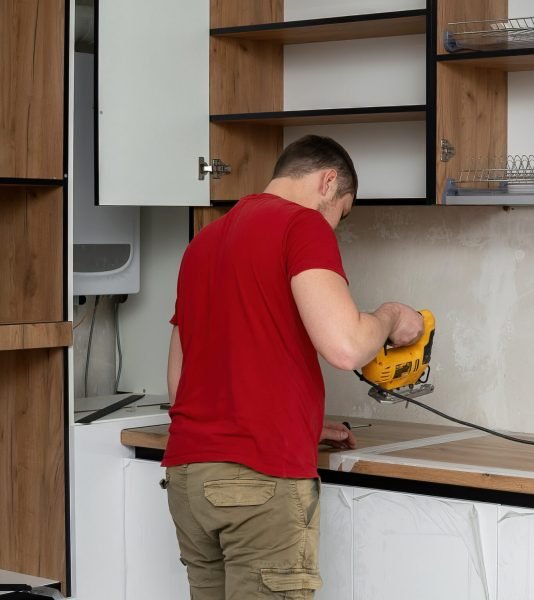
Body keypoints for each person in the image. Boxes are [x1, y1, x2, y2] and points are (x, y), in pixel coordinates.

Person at [162, 134, 424, 600]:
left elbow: (183, 380)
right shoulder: (302, 226)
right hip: (259, 481)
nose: (333, 227)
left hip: (188, 479)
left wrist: (298, 423)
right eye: (339, 213)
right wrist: (388, 317)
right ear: (328, 182)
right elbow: (345, 348)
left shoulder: (203, 242)